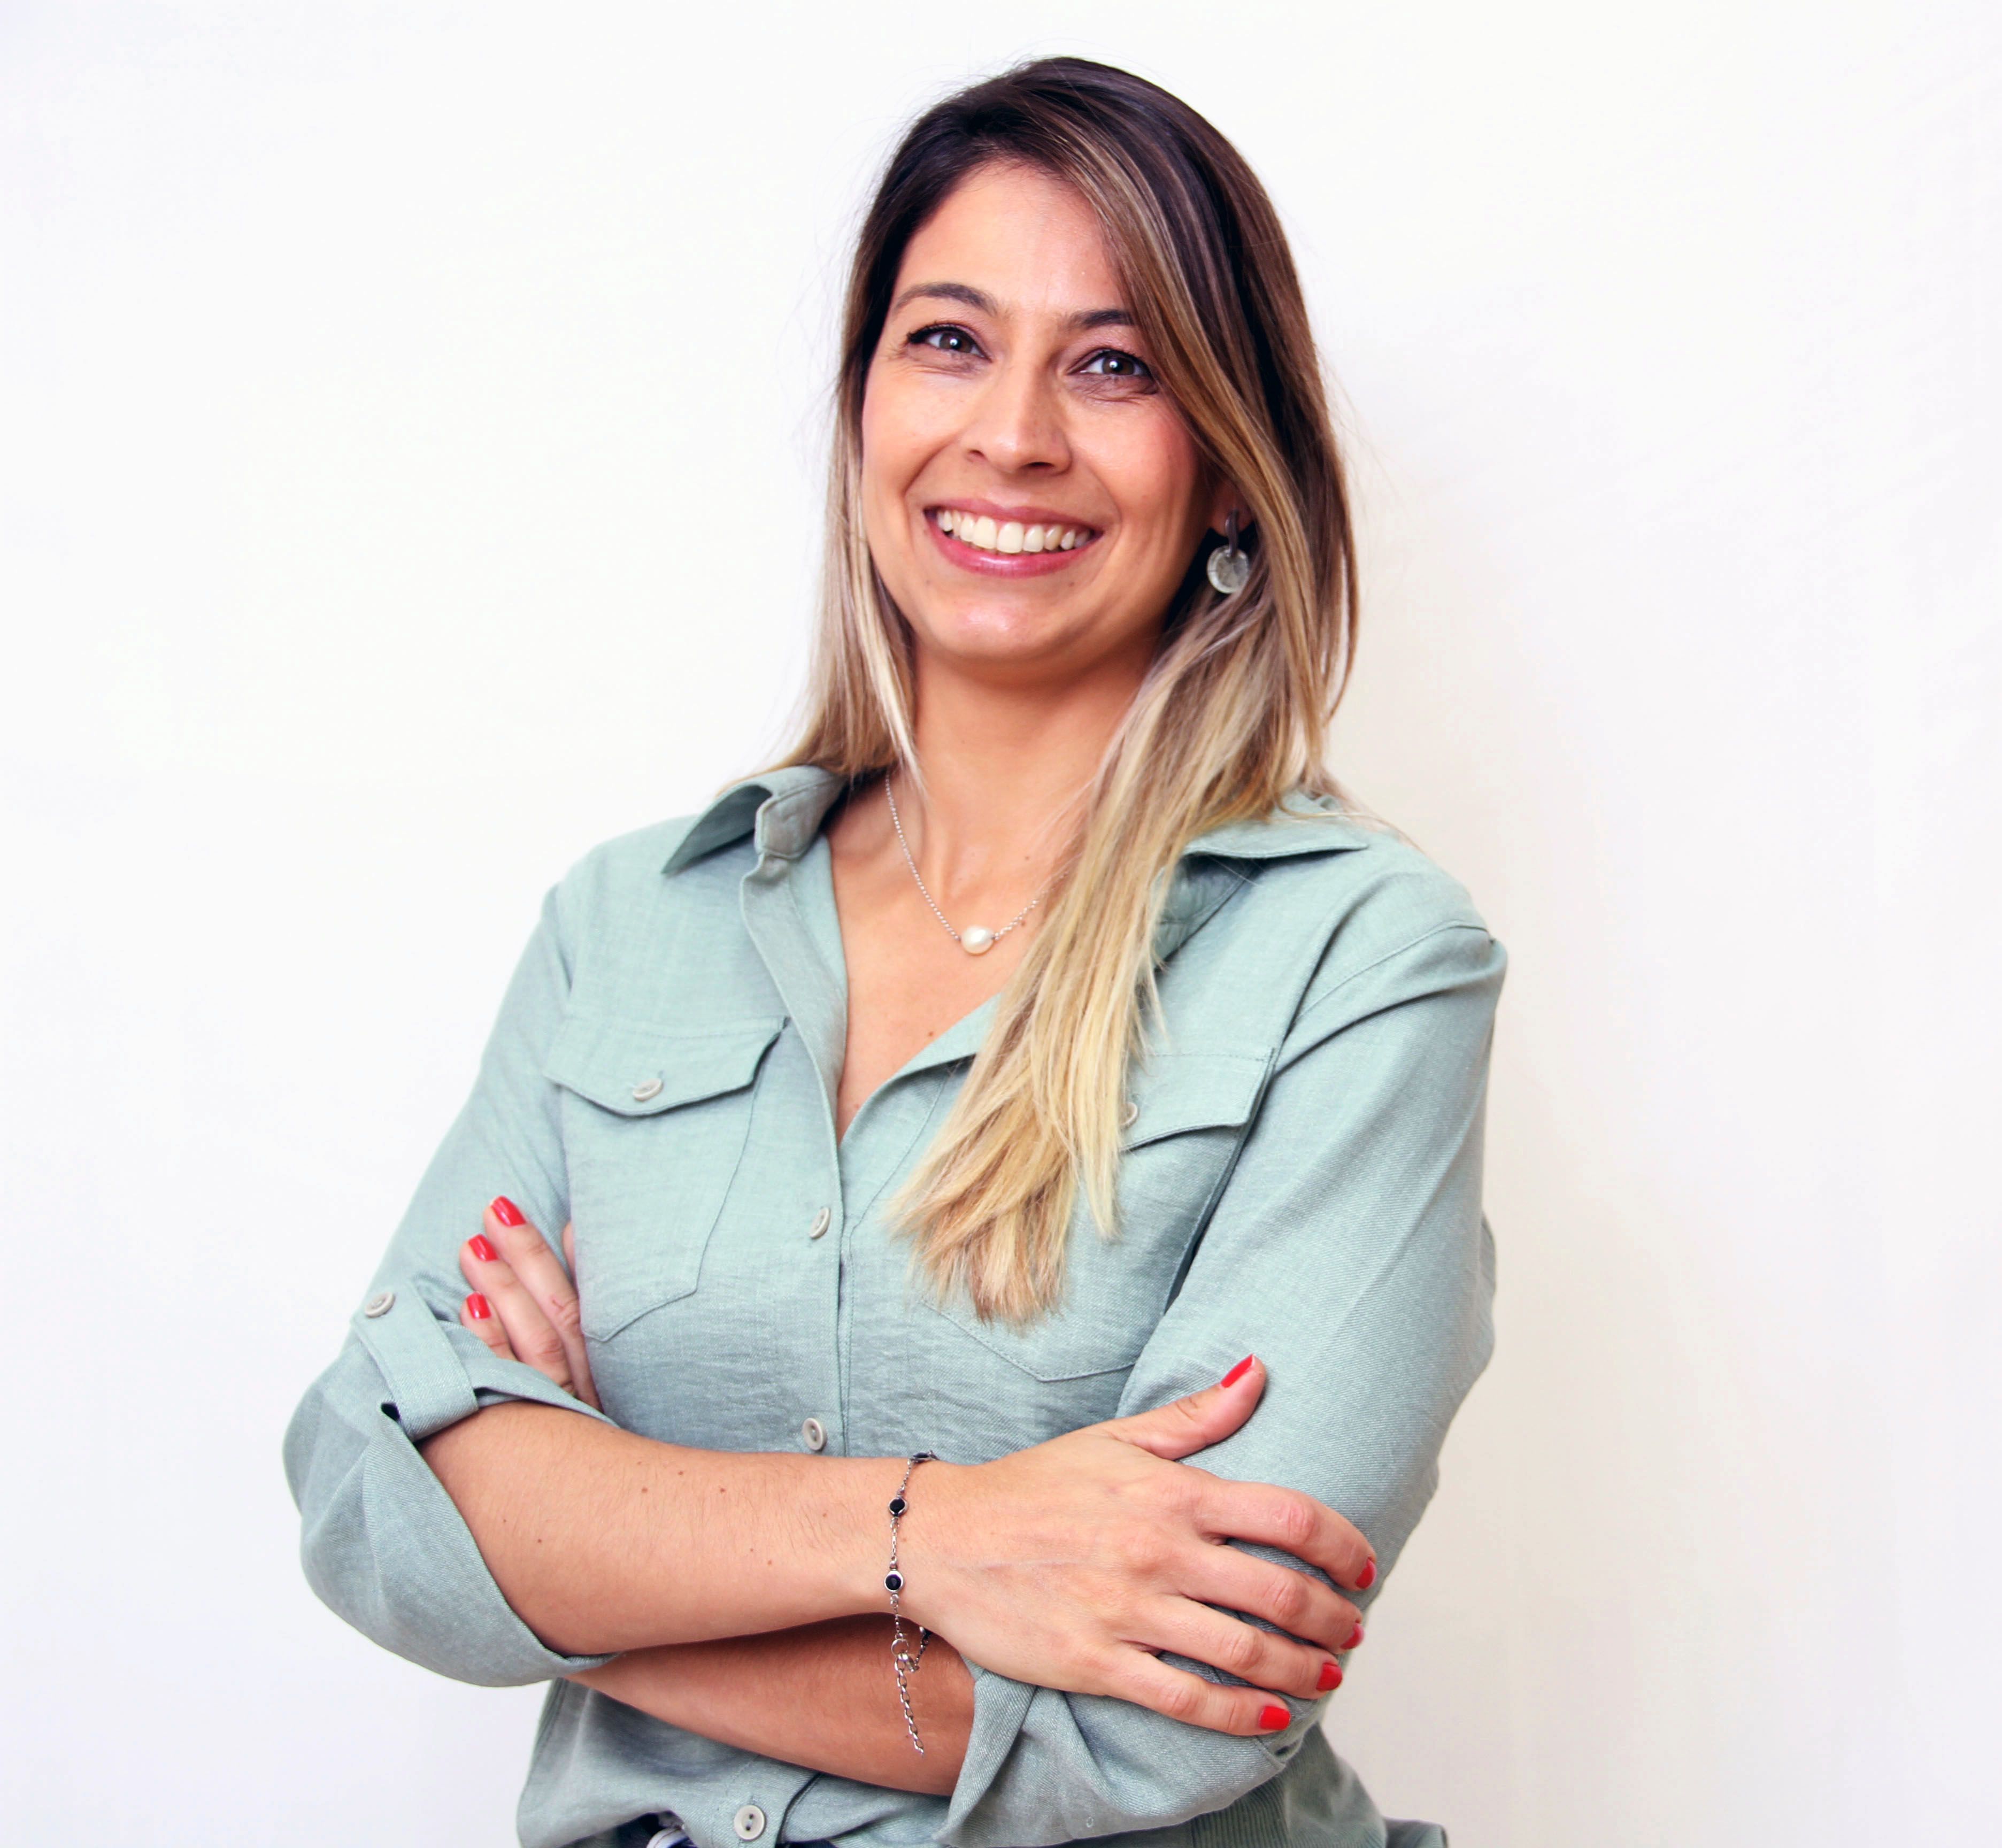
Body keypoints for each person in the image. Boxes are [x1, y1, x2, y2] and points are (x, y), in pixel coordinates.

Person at [283, 57, 1500, 1848]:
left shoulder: (1365, 962)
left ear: (1234, 477)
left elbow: (1172, 1707)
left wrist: (572, 1559)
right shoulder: (629, 926)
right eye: (948, 341)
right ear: (864, 408)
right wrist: (947, 1537)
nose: (1013, 434)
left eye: (1115, 365)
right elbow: (365, 1495)